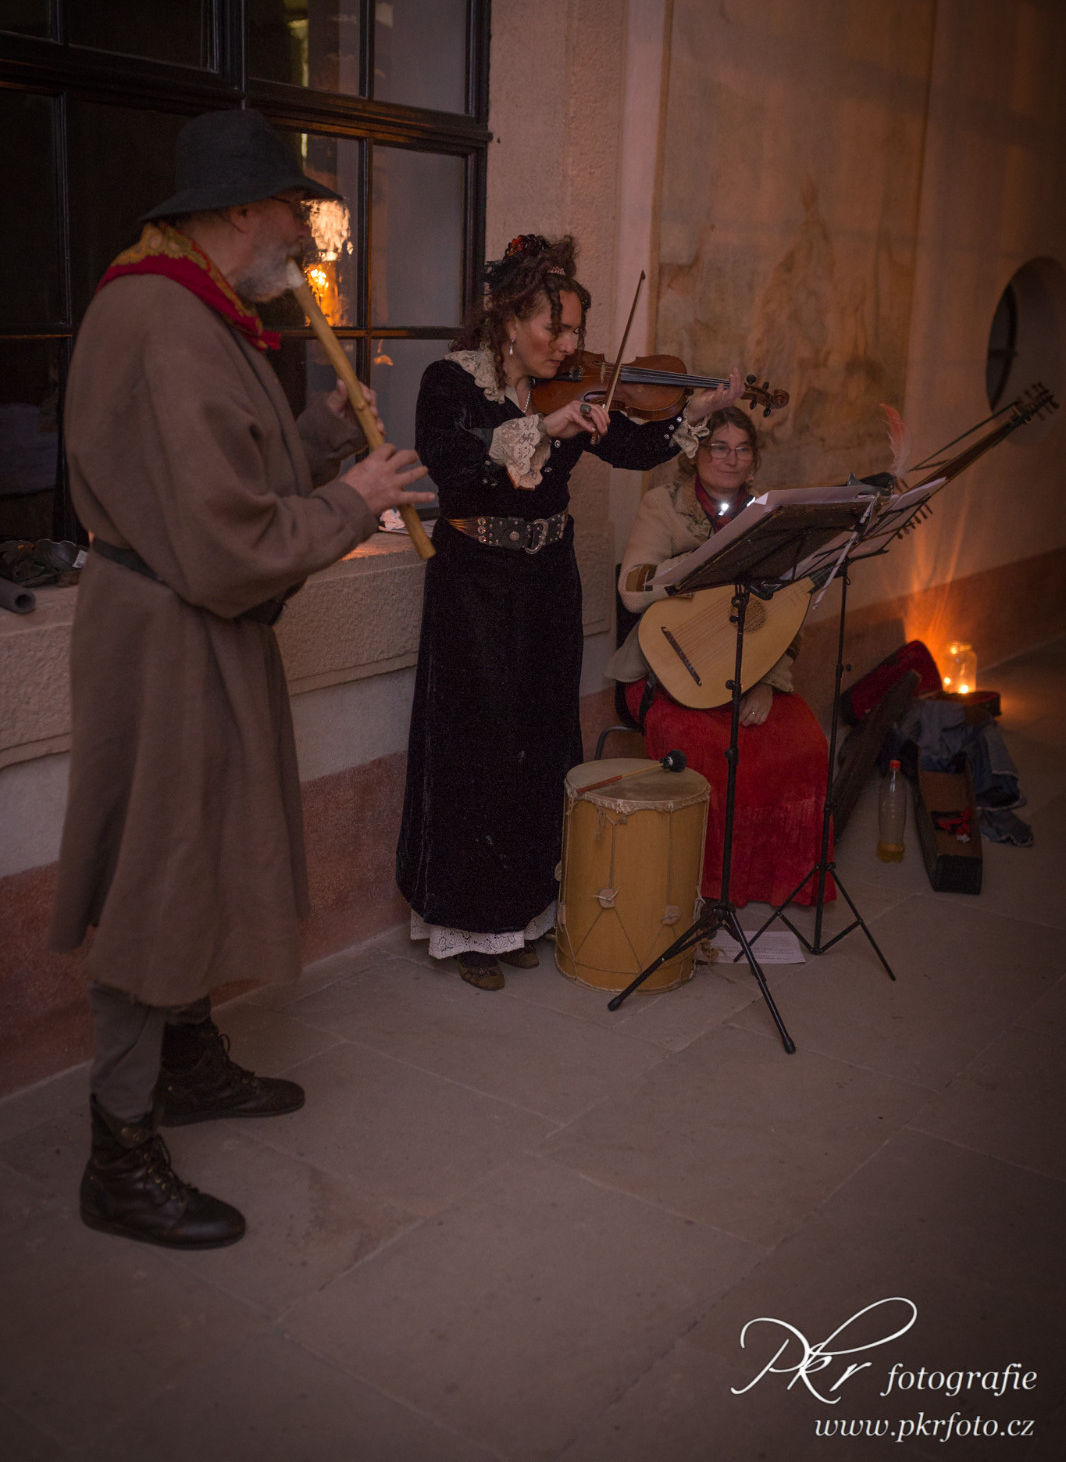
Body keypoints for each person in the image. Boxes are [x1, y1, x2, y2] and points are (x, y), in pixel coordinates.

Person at [50, 108, 432, 1248]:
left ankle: (186, 1063)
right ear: (238, 211)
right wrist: (354, 501)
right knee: (159, 881)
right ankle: (119, 1155)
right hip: (168, 641)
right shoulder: (160, 320)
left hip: (193, 632)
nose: (304, 235)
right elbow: (226, 543)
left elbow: (228, 475)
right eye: (291, 210)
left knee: (203, 855)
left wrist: (320, 436)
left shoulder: (198, 309)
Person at [396, 233, 741, 990]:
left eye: (576, 331)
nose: (568, 346)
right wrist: (540, 429)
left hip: (548, 576)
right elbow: (449, 459)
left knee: (542, 737)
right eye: (554, 329)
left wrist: (697, 413)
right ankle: (470, 925)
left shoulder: (579, 391)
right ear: (509, 320)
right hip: (475, 581)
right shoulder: (450, 382)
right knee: (478, 745)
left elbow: (635, 449)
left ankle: (520, 914)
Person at [608, 405, 834, 910]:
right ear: (696, 454)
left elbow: (786, 612)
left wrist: (768, 681)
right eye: (719, 447)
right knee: (708, 749)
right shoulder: (663, 506)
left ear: (754, 460)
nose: (731, 460)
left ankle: (775, 879)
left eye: (742, 449)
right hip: (669, 670)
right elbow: (632, 591)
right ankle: (708, 886)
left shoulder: (773, 518)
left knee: (804, 744)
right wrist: (708, 559)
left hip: (750, 669)